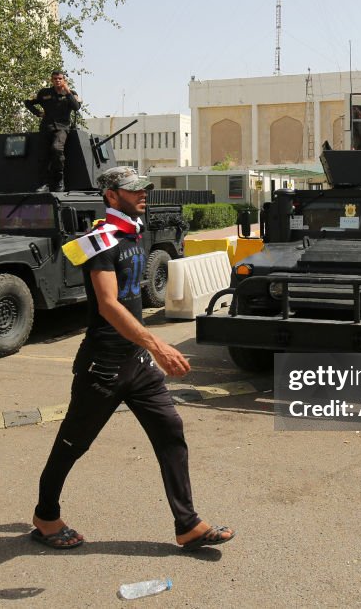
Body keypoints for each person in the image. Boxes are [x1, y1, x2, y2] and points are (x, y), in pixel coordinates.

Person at [31, 166, 235, 552]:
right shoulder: (101, 240)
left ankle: (187, 523)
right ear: (111, 195)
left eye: (144, 188)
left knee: (170, 432)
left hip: (137, 363)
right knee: (72, 444)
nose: (143, 194)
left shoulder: (135, 233)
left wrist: (146, 349)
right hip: (103, 365)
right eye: (133, 190)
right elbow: (108, 305)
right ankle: (45, 516)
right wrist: (158, 344)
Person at [24, 70, 82, 193]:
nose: (57, 80)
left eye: (60, 78)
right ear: (52, 80)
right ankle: (45, 184)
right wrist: (38, 113)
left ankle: (60, 181)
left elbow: (76, 107)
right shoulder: (44, 93)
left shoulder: (71, 94)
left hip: (62, 127)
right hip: (46, 127)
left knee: (57, 149)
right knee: (43, 156)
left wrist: (67, 91)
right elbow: (28, 102)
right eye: (55, 78)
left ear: (64, 80)